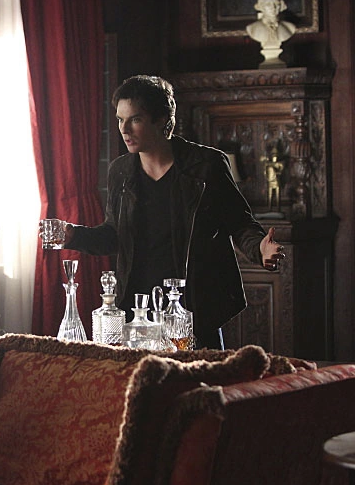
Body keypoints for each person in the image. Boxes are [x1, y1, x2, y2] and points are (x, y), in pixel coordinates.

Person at [40, 75, 285, 349]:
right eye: (120, 120)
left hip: (192, 307)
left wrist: (260, 249)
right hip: (138, 309)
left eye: (135, 119)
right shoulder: (121, 172)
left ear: (161, 120)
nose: (124, 129)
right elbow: (114, 235)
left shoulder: (207, 165)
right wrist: (73, 235)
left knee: (204, 374)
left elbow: (239, 223)